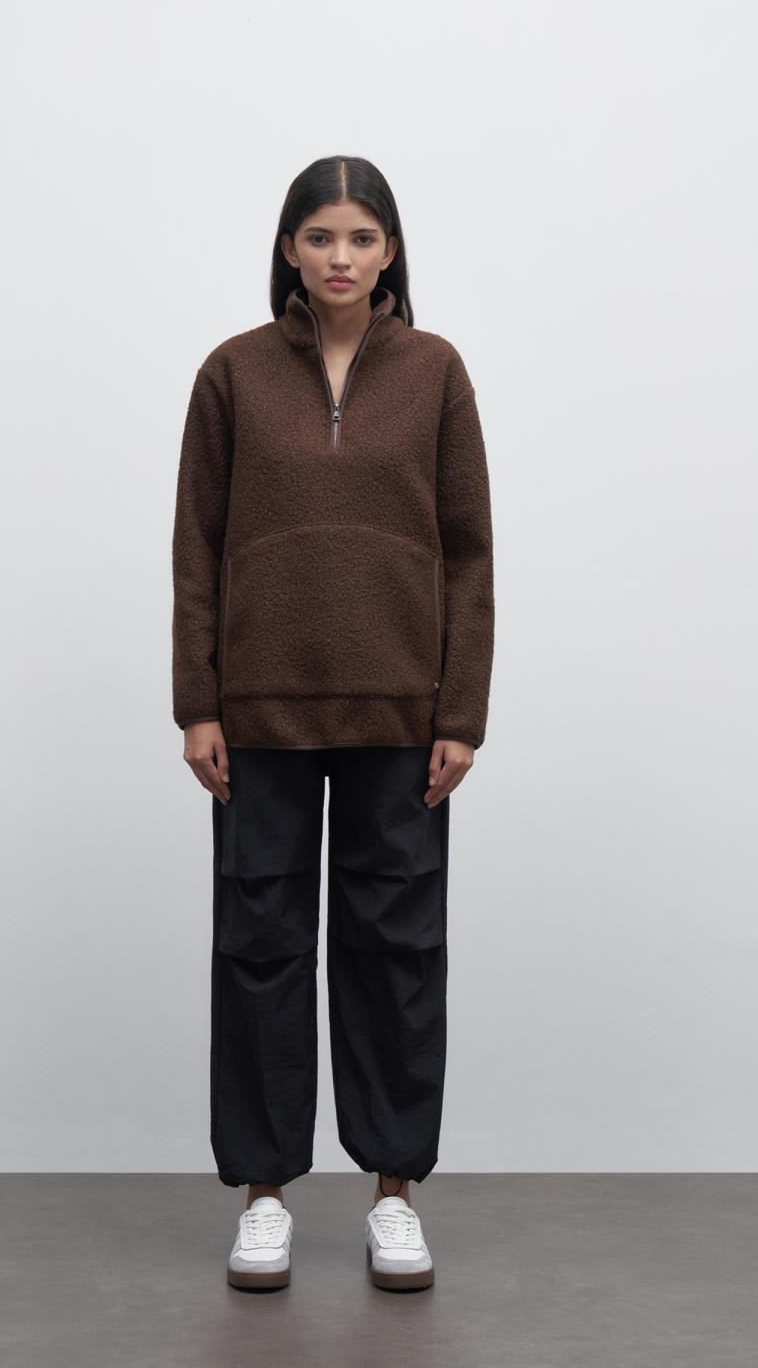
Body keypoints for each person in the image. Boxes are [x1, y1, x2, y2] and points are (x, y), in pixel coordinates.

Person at [171, 155, 495, 1292]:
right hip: (258, 713)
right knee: (259, 946)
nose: (341, 257)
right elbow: (197, 546)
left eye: (361, 237)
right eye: (320, 237)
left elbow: (469, 553)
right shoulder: (233, 373)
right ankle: (263, 1196)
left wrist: (461, 712)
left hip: (402, 713)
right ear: (289, 249)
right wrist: (198, 702)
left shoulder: (436, 372)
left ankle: (393, 1195)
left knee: (395, 949)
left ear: (390, 248)